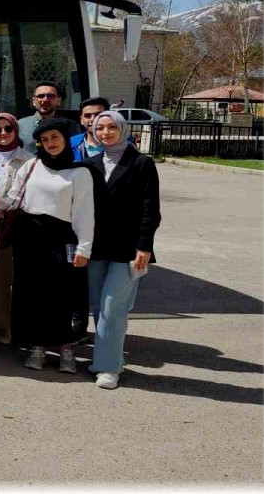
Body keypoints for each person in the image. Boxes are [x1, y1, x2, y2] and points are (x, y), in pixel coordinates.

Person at [10, 118, 96, 374]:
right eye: (45, 140)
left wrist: (84, 248)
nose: (50, 144)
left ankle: (66, 347)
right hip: (30, 238)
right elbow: (13, 197)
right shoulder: (32, 165)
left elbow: (84, 213)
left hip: (62, 238)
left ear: (65, 139)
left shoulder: (80, 172)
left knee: (65, 294)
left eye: (55, 138)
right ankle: (38, 347)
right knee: (34, 292)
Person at [85, 110, 161, 389]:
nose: (105, 133)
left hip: (129, 248)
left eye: (110, 127)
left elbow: (150, 209)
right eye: (99, 128)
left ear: (122, 129)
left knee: (112, 307)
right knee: (97, 305)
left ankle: (108, 368)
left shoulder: (141, 163)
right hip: (95, 246)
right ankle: (107, 358)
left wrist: (145, 246)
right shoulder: (89, 164)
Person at [0, 113, 34, 345]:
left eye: (7, 129)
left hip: (12, 224)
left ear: (15, 130)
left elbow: (21, 194)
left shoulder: (29, 160)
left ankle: (3, 325)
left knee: (5, 276)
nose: (2, 133)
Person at [18, 81, 80, 155]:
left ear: (59, 101)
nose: (45, 100)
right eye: (40, 96)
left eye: (51, 96)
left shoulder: (71, 126)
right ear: (34, 101)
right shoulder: (20, 125)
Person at [72, 97, 110, 161]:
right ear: (81, 120)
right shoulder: (69, 144)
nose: (93, 119)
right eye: (87, 116)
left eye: (98, 115)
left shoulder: (123, 146)